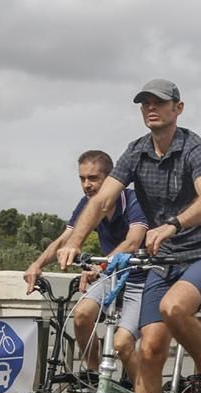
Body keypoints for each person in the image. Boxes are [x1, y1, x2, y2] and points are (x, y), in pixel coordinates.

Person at [57, 78, 201, 393]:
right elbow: (102, 199)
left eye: (159, 102)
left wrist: (172, 225)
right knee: (150, 349)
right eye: (144, 103)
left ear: (177, 108)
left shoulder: (194, 148)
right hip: (162, 261)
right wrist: (74, 242)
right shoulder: (136, 151)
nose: (151, 108)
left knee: (174, 307)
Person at [22, 150, 152, 378]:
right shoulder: (87, 204)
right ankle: (94, 376)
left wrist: (100, 267)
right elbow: (65, 239)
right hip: (111, 276)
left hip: (139, 280)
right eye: (82, 179)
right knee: (81, 316)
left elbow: (133, 241)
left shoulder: (134, 200)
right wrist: (37, 264)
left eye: (93, 178)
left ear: (111, 179)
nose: (87, 185)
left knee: (123, 345)